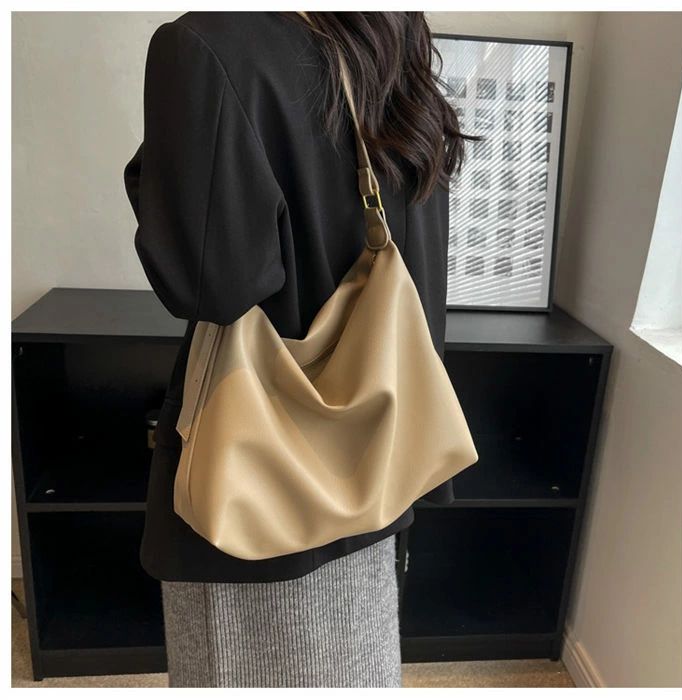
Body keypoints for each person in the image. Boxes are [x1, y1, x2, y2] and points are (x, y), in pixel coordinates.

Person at [123, 10, 476, 688]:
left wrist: (155, 171)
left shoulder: (203, 46)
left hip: (261, 492)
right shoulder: (386, 39)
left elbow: (212, 281)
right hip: (375, 463)